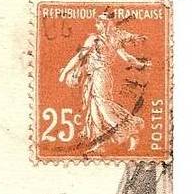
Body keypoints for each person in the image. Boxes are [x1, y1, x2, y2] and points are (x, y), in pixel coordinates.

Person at [57, 13, 150, 152]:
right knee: (95, 108)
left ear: (104, 24)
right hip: (100, 76)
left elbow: (78, 57)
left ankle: (131, 131)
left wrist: (64, 73)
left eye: (98, 23)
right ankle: (99, 144)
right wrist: (141, 65)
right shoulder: (114, 40)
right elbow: (127, 58)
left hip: (99, 75)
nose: (96, 26)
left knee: (103, 107)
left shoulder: (93, 39)